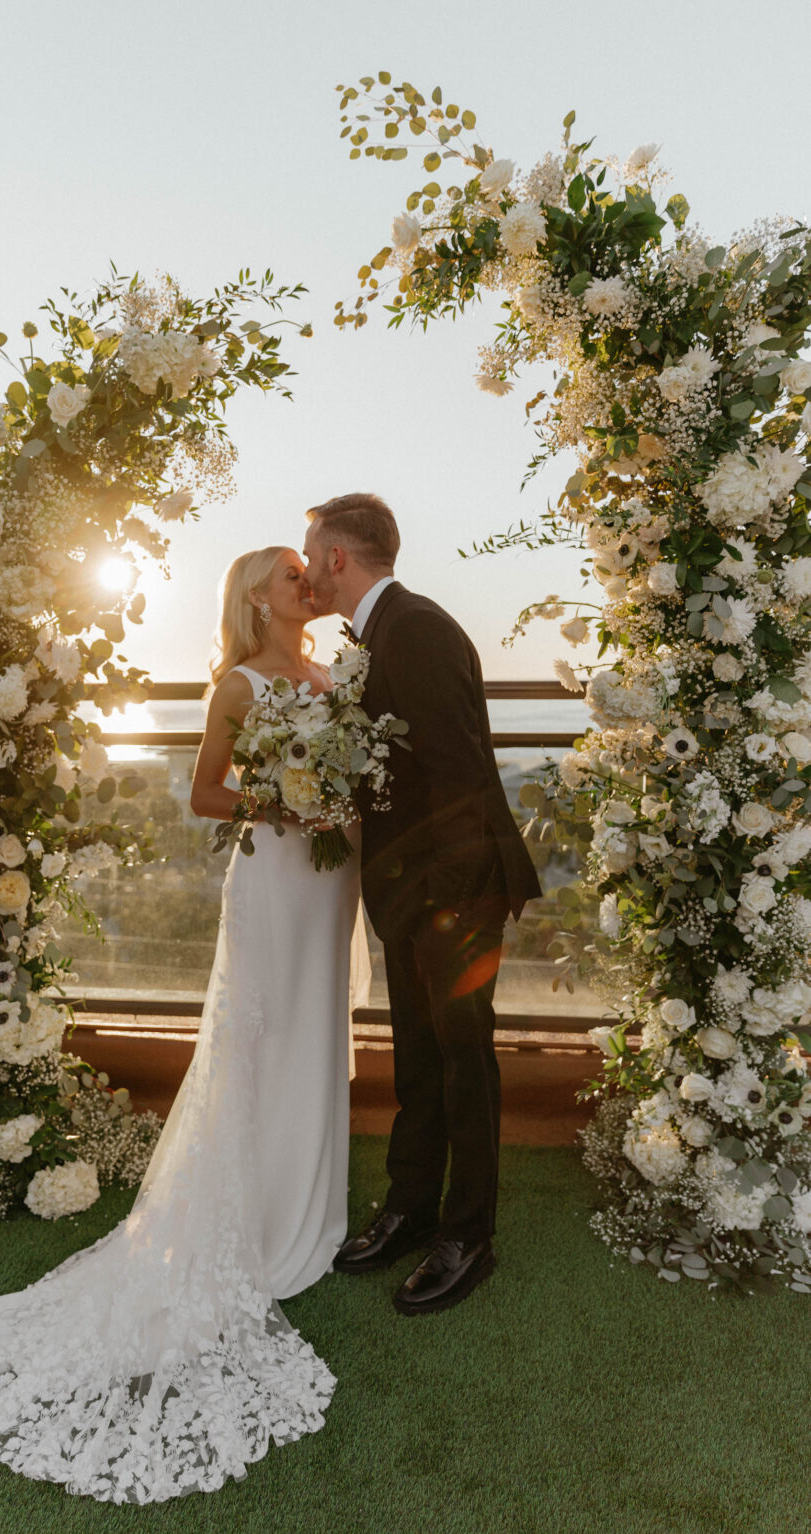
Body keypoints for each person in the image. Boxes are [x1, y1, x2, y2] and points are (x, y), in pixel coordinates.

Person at [0, 545, 369, 1504]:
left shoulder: (328, 670)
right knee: (261, 1041)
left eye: (308, 573)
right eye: (290, 576)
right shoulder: (236, 684)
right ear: (255, 599)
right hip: (275, 879)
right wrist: (292, 800)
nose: (307, 584)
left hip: (332, 885)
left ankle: (315, 1205)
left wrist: (342, 804)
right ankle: (259, 1216)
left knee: (313, 1038)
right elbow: (205, 795)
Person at [302, 493, 542, 1317]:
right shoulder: (376, 635)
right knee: (416, 1052)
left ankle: (467, 1235)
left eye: (312, 552)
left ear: (339, 556)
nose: (306, 568)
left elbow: (461, 769)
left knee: (464, 1061)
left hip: (456, 890)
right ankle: (411, 1205)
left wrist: (443, 902)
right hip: (412, 890)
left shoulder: (419, 627)